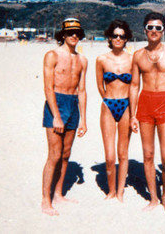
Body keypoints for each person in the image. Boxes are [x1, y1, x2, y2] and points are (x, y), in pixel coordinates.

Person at [129, 12, 165, 212]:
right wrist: (132, 115)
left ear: (164, 31)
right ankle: (153, 198)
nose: (154, 31)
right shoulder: (137, 55)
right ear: (145, 30)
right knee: (148, 155)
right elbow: (134, 85)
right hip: (145, 103)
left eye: (158, 28)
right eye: (150, 27)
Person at [41, 18, 88, 216]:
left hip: (73, 104)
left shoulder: (82, 60)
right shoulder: (52, 55)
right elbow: (48, 88)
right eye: (70, 33)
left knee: (66, 153)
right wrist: (57, 116)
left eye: (77, 32)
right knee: (54, 154)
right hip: (56, 103)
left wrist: (84, 119)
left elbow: (83, 90)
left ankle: (59, 194)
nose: (74, 36)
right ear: (63, 35)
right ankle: (46, 200)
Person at [95, 19, 133, 202]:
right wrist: (108, 98)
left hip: (126, 106)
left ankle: (120, 192)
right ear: (109, 37)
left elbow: (135, 87)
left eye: (122, 36)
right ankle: (110, 191)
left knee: (123, 153)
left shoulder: (133, 59)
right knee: (110, 156)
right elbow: (99, 86)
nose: (118, 39)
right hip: (108, 106)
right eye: (115, 35)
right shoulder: (101, 59)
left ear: (126, 39)